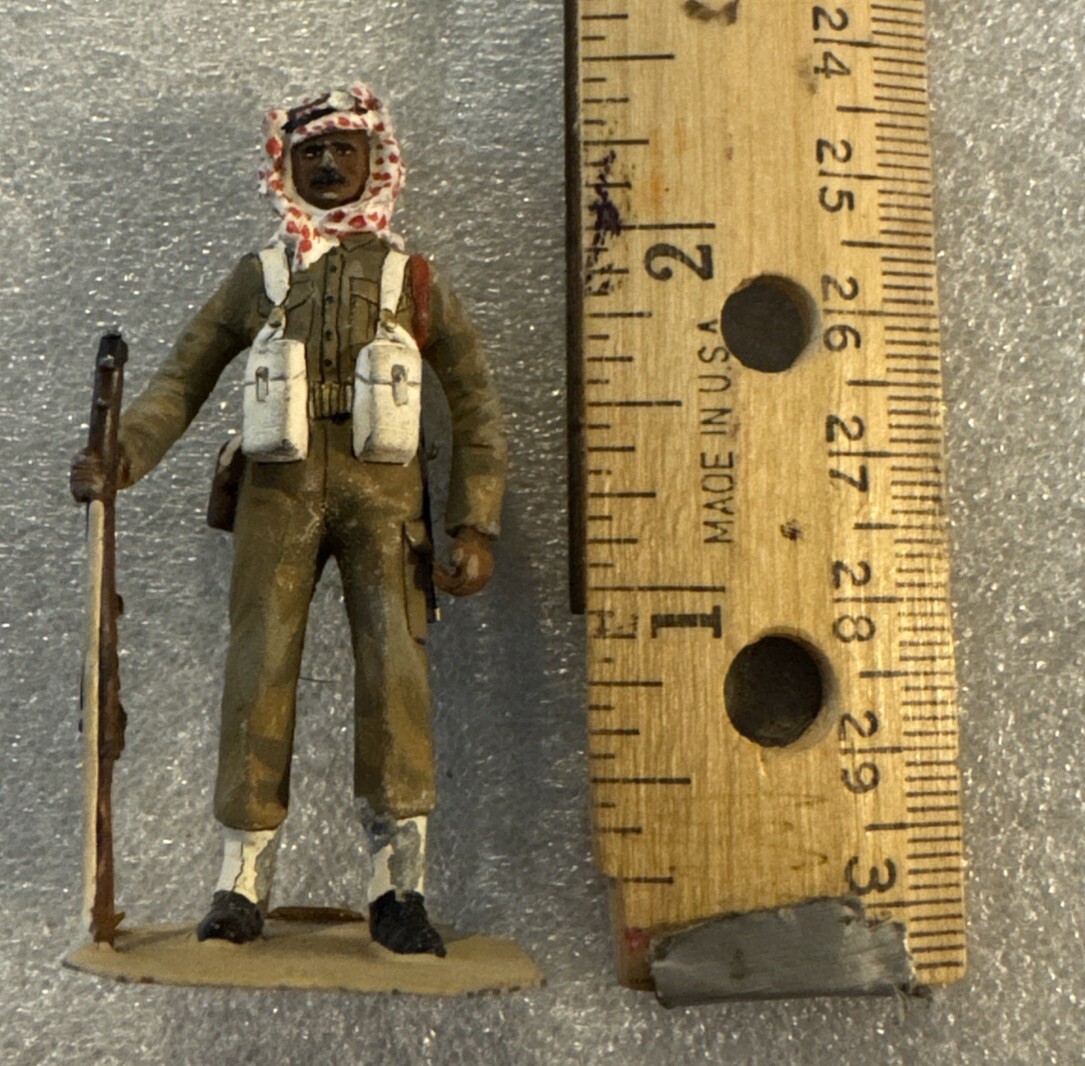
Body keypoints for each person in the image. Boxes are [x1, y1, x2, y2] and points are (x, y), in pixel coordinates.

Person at [70, 82, 507, 957]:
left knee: (396, 677)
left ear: (376, 159)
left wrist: (474, 522)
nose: (329, 165)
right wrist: (124, 456)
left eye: (345, 149)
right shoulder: (260, 277)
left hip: (386, 500)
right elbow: (182, 378)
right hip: (278, 494)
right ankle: (240, 883)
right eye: (311, 152)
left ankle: (399, 887)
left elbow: (475, 403)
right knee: (258, 669)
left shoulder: (413, 280)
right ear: (285, 163)